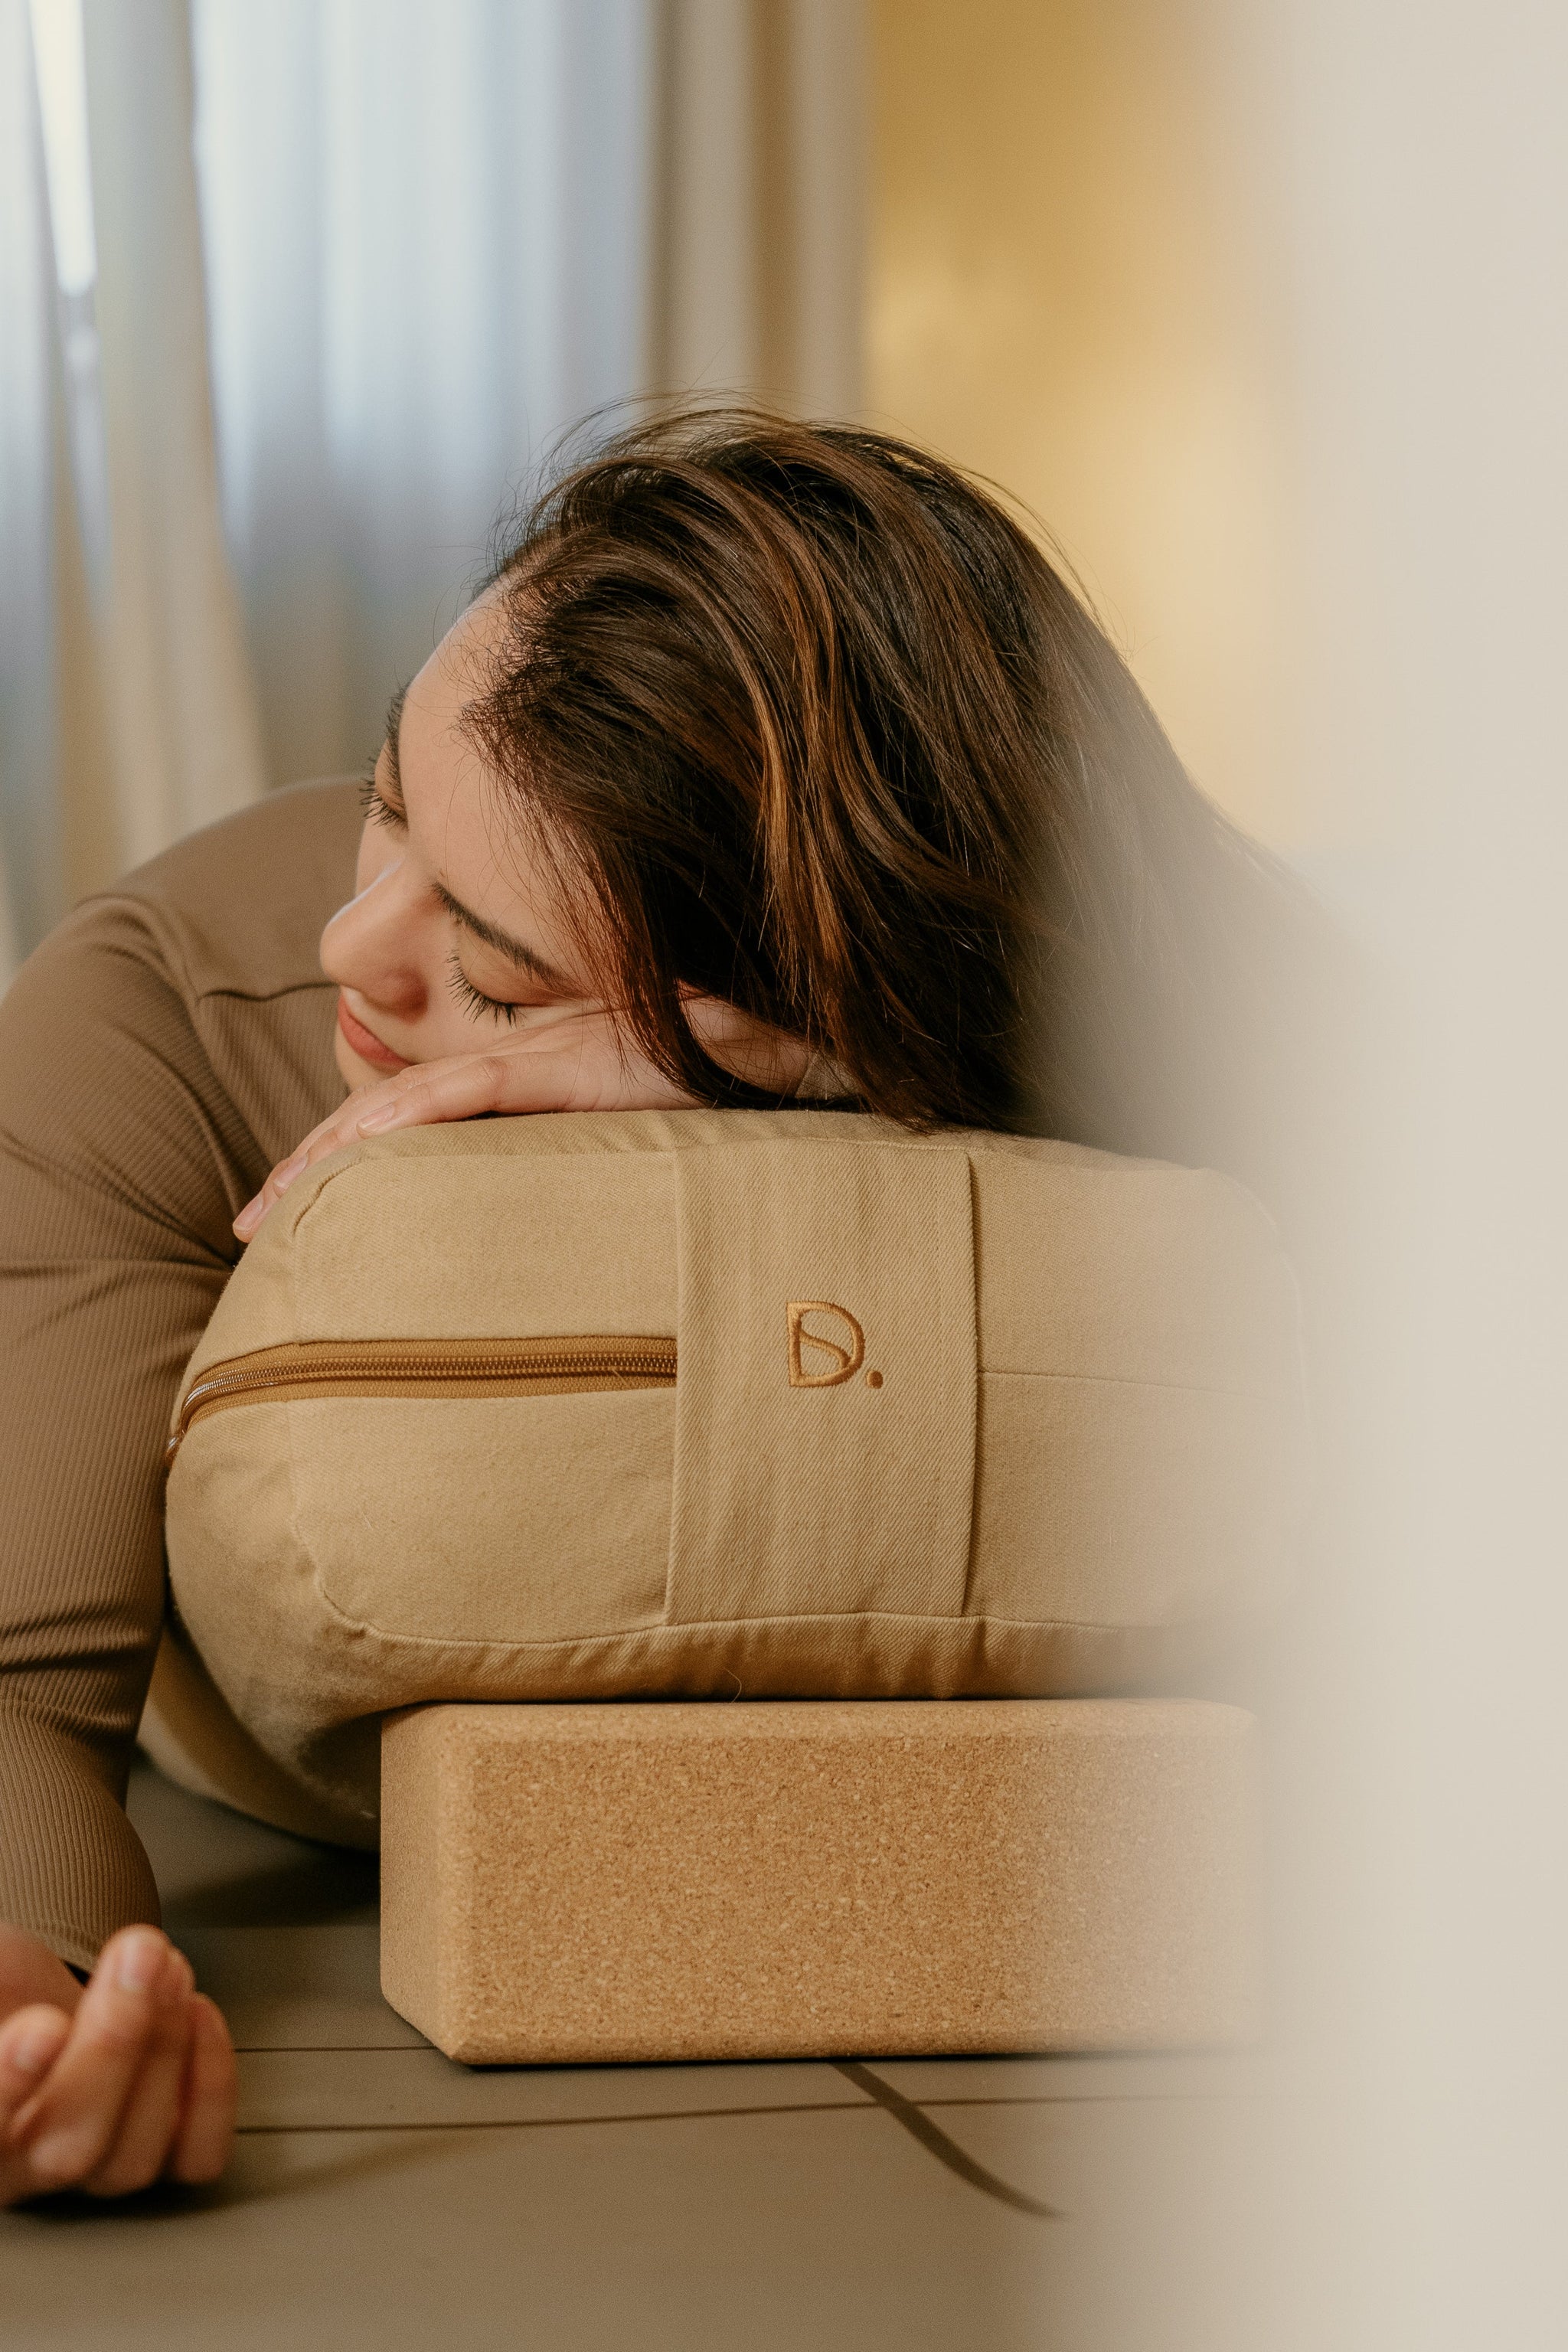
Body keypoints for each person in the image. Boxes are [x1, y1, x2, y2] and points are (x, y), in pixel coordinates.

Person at [0, 409, 1316, 2203]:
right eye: (386, 796)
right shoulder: (158, 1016)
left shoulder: (1220, 1049)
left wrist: (800, 1115)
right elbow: (16, 1677)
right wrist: (33, 1997)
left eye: (495, 972)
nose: (350, 946)